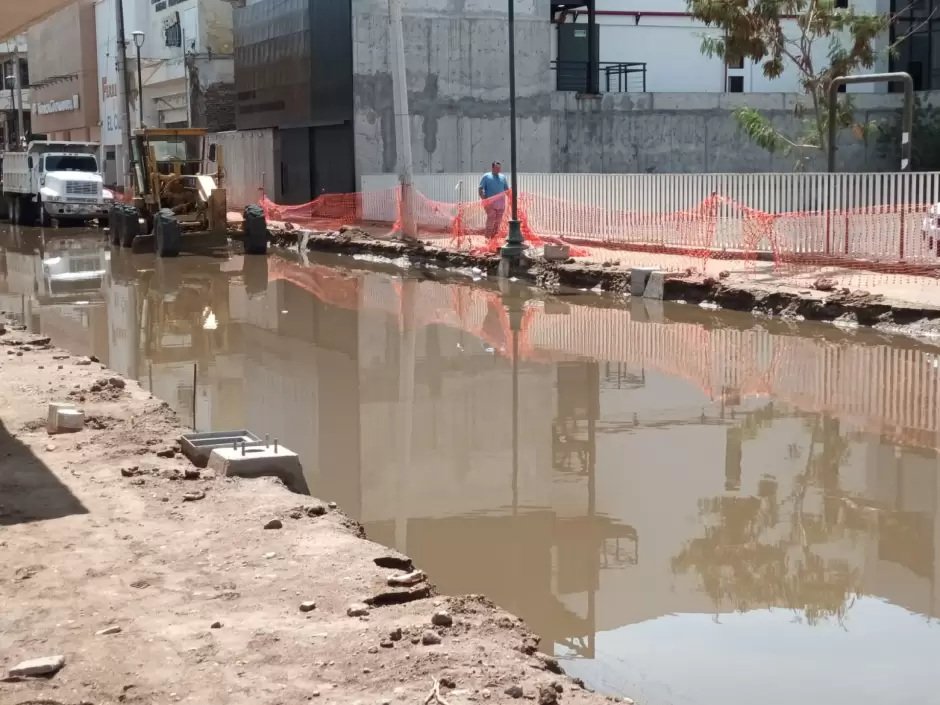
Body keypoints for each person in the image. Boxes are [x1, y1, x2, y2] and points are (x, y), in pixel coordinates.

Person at [479, 161, 509, 239]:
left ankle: (494, 239)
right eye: (496, 168)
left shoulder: (502, 177)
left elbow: (507, 190)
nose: (498, 169)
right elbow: (480, 188)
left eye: (499, 168)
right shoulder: (486, 176)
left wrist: (512, 198)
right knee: (491, 218)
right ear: (492, 168)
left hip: (501, 204)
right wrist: (484, 200)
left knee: (498, 222)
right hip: (490, 203)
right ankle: (487, 238)